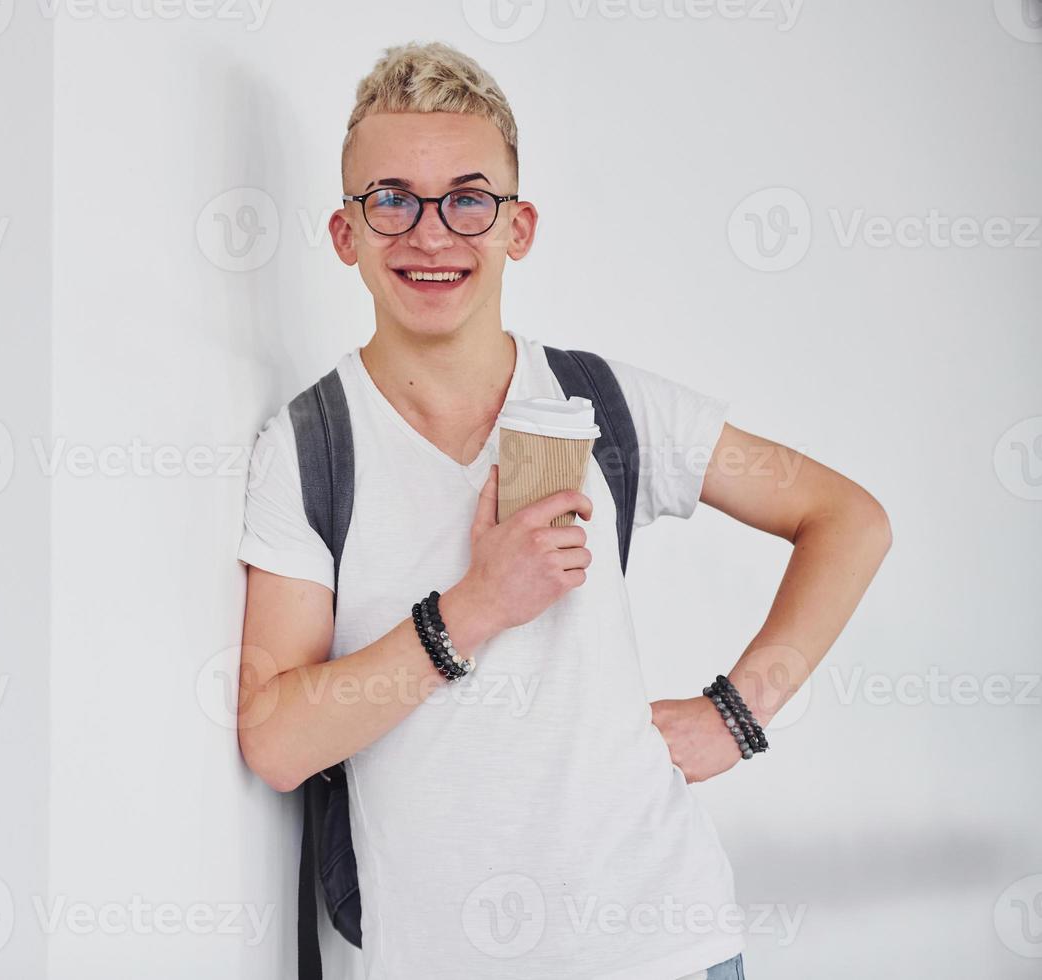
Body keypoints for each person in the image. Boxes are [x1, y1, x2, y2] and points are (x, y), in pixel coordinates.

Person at [235, 41, 890, 980]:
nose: (430, 235)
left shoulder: (606, 404)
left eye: (468, 198)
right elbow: (277, 739)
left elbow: (848, 519)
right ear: (346, 232)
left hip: (664, 950)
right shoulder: (308, 447)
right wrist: (477, 605)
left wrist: (738, 716)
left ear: (518, 226)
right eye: (391, 200)